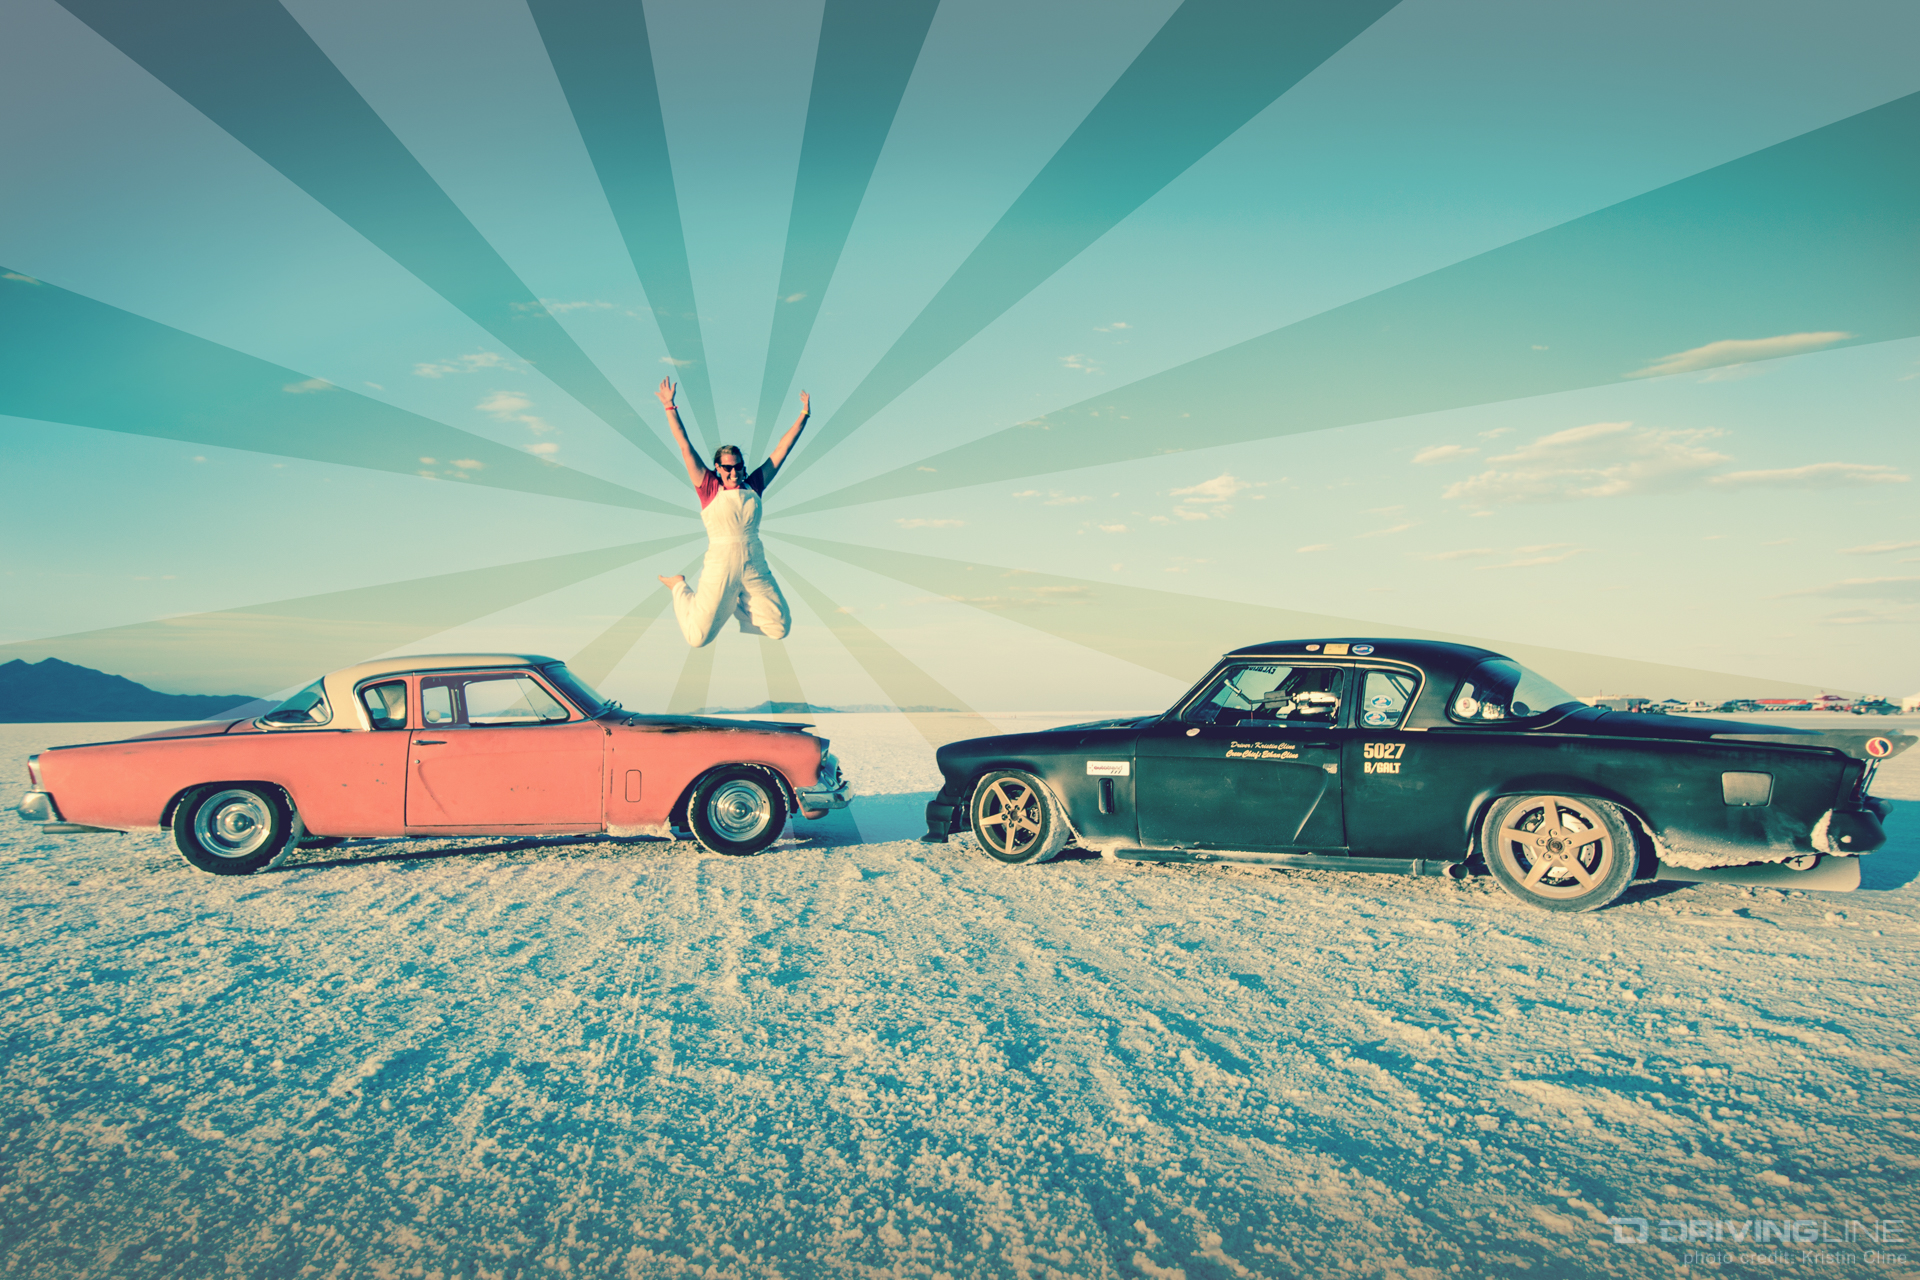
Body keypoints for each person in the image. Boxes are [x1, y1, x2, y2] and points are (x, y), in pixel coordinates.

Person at [656, 378, 807, 647]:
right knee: (697, 638)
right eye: (727, 468)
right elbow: (684, 445)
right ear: (717, 468)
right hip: (720, 565)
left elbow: (782, 450)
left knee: (779, 628)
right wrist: (670, 406)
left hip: (754, 564)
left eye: (738, 467)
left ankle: (736, 600)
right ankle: (678, 586)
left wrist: (803, 416)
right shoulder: (708, 487)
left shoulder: (754, 484)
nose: (734, 472)